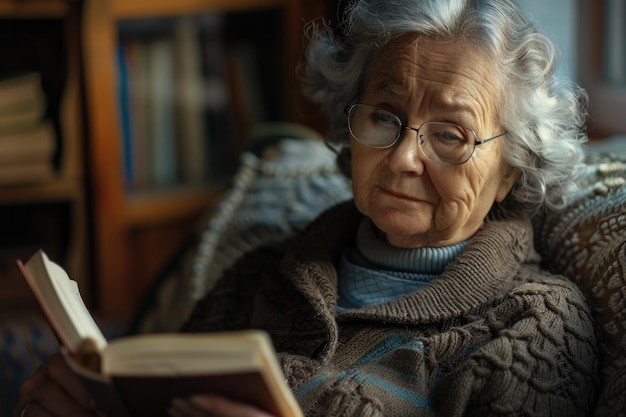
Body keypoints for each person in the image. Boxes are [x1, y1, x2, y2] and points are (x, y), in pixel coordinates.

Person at [14, 0, 599, 416]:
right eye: (384, 118)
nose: (402, 159)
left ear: (511, 170)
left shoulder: (536, 326)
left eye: (450, 134)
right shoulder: (261, 274)